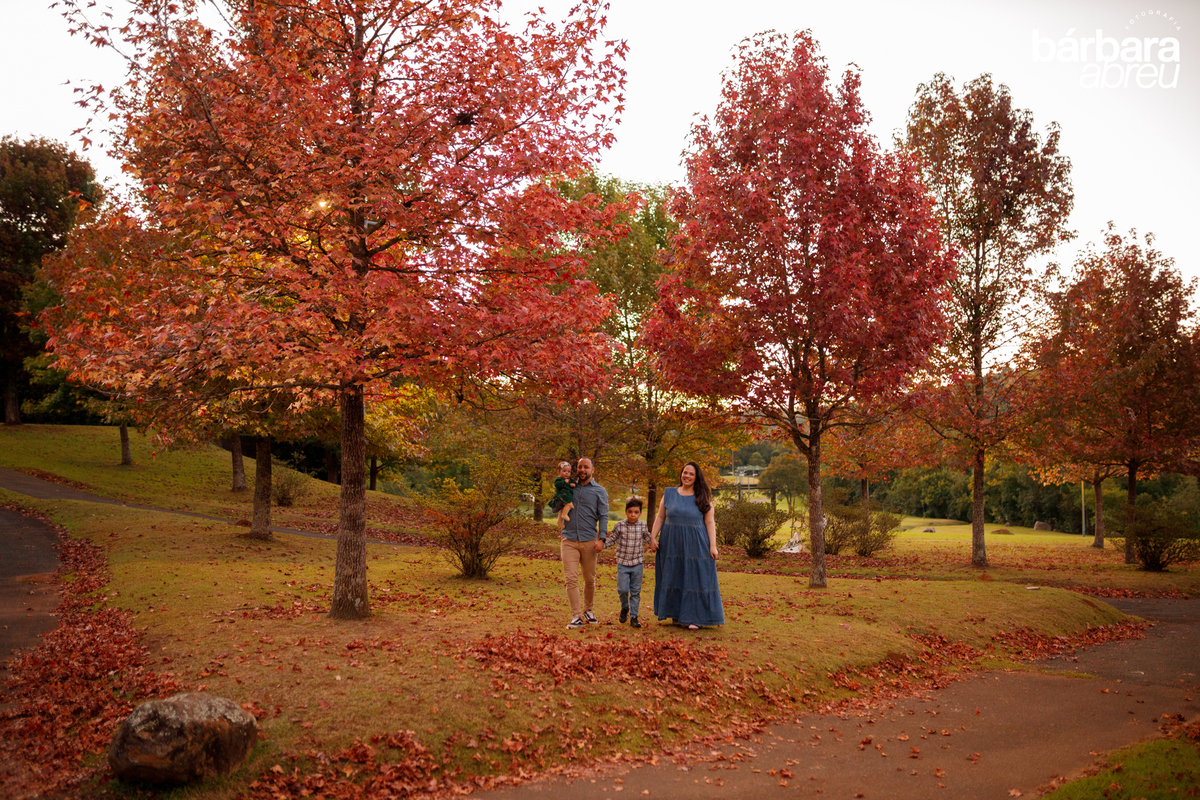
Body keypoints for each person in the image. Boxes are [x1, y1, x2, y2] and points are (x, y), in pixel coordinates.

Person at [650, 461, 725, 630]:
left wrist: (713, 546)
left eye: (691, 474)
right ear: (681, 474)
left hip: (696, 544)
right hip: (671, 544)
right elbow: (660, 517)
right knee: (674, 576)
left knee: (695, 578)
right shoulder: (669, 494)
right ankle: (676, 614)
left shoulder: (703, 497)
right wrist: (653, 537)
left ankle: (694, 617)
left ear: (696, 477)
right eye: (685, 472)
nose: (687, 476)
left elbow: (710, 522)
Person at [560, 457, 609, 629]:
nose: (582, 470)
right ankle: (576, 616)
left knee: (589, 579)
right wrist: (560, 494)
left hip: (589, 540)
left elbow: (603, 516)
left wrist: (602, 539)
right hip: (569, 539)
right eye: (580, 467)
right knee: (571, 579)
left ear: (592, 470)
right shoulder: (569, 487)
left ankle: (588, 610)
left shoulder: (600, 491)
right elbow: (555, 508)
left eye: (586, 467)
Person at [608, 497, 653, 628]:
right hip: (623, 563)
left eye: (636, 512)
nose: (633, 515)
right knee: (622, 589)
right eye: (630, 512)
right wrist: (601, 544)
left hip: (637, 563)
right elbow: (612, 539)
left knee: (635, 591)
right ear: (626, 512)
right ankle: (624, 607)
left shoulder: (642, 525)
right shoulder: (619, 526)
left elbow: (648, 538)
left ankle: (634, 616)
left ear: (640, 513)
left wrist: (656, 544)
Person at [548, 460, 576, 530]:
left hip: (566, 496)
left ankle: (559, 521)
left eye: (568, 472)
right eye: (564, 471)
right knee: (569, 504)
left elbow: (572, 483)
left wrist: (573, 484)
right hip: (562, 496)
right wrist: (564, 482)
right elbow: (557, 485)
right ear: (558, 471)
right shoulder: (559, 479)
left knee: (563, 509)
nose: (567, 473)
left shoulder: (569, 479)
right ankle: (564, 515)